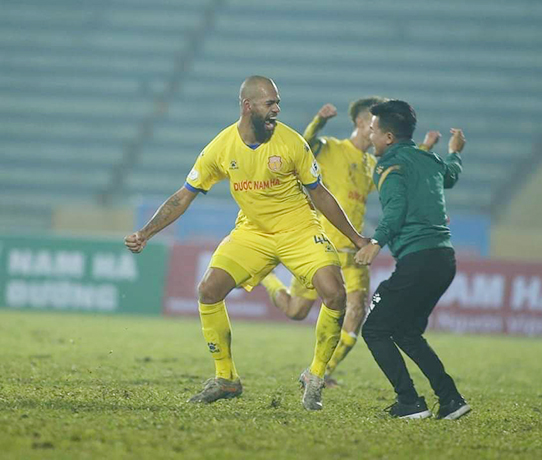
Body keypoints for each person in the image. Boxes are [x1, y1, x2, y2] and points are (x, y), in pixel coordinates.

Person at [124, 76, 369, 411]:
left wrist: (356, 238)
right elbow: (183, 197)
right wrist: (146, 232)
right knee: (208, 291)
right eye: (270, 104)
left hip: (299, 229)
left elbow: (320, 194)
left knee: (335, 294)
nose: (277, 110)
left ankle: (315, 376)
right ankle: (226, 379)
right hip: (252, 233)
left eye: (277, 102)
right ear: (248, 106)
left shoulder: (292, 142)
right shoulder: (221, 147)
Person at [260, 99, 443, 387]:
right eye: (375, 122)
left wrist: (425, 150)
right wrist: (318, 121)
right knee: (296, 311)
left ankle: (320, 374)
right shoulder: (331, 148)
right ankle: (267, 278)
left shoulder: (373, 164)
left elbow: (397, 173)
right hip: (319, 246)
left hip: (353, 251)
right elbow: (302, 145)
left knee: (357, 312)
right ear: (362, 123)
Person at [354, 100, 470, 420]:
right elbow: (449, 176)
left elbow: (396, 209)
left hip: (417, 259)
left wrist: (375, 243)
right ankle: (450, 400)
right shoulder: (428, 157)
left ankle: (409, 402)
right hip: (444, 260)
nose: (369, 134)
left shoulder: (388, 165)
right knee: (405, 332)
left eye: (373, 130)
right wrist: (455, 151)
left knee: (375, 330)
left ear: (388, 137)